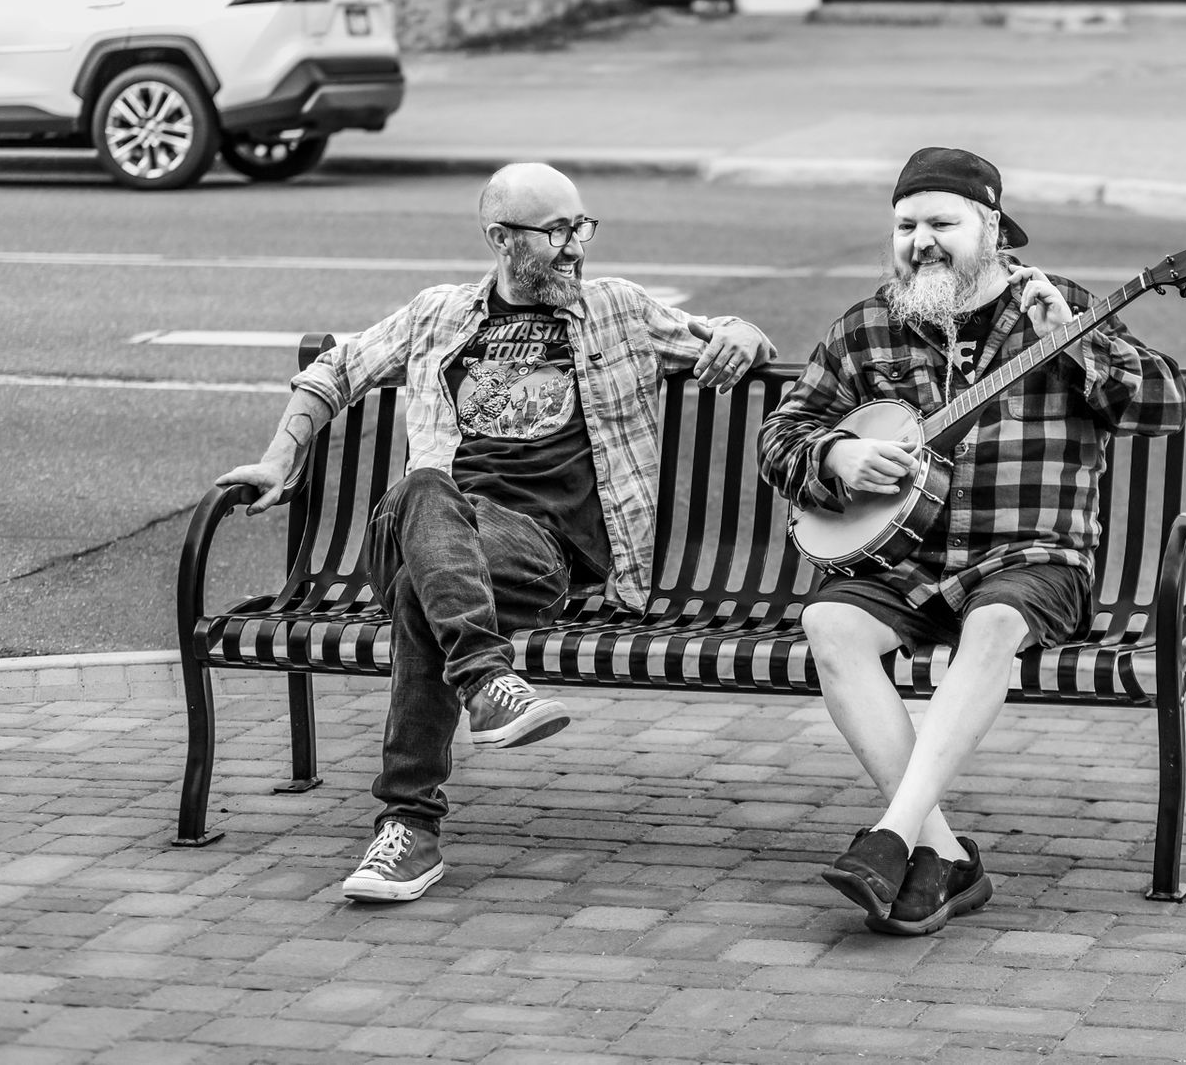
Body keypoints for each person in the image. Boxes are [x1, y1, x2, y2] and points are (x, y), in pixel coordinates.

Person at [216, 163, 776, 903]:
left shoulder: (619, 311)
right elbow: (336, 369)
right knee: (424, 490)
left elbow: (732, 339)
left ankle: (411, 825)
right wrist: (276, 461)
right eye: (556, 233)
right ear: (499, 240)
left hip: (536, 555)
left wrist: (743, 331)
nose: (577, 247)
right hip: (422, 520)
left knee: (427, 589)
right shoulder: (437, 314)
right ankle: (484, 682)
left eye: (583, 226)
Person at [758, 147, 1186, 936]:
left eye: (942, 223)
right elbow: (781, 435)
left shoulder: (1058, 308)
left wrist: (1082, 343)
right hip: (907, 560)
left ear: (991, 227)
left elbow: (1164, 408)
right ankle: (941, 851)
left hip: (1032, 558)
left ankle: (891, 835)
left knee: (990, 625)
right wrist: (838, 456)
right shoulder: (866, 325)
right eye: (905, 224)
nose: (921, 240)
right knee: (829, 623)